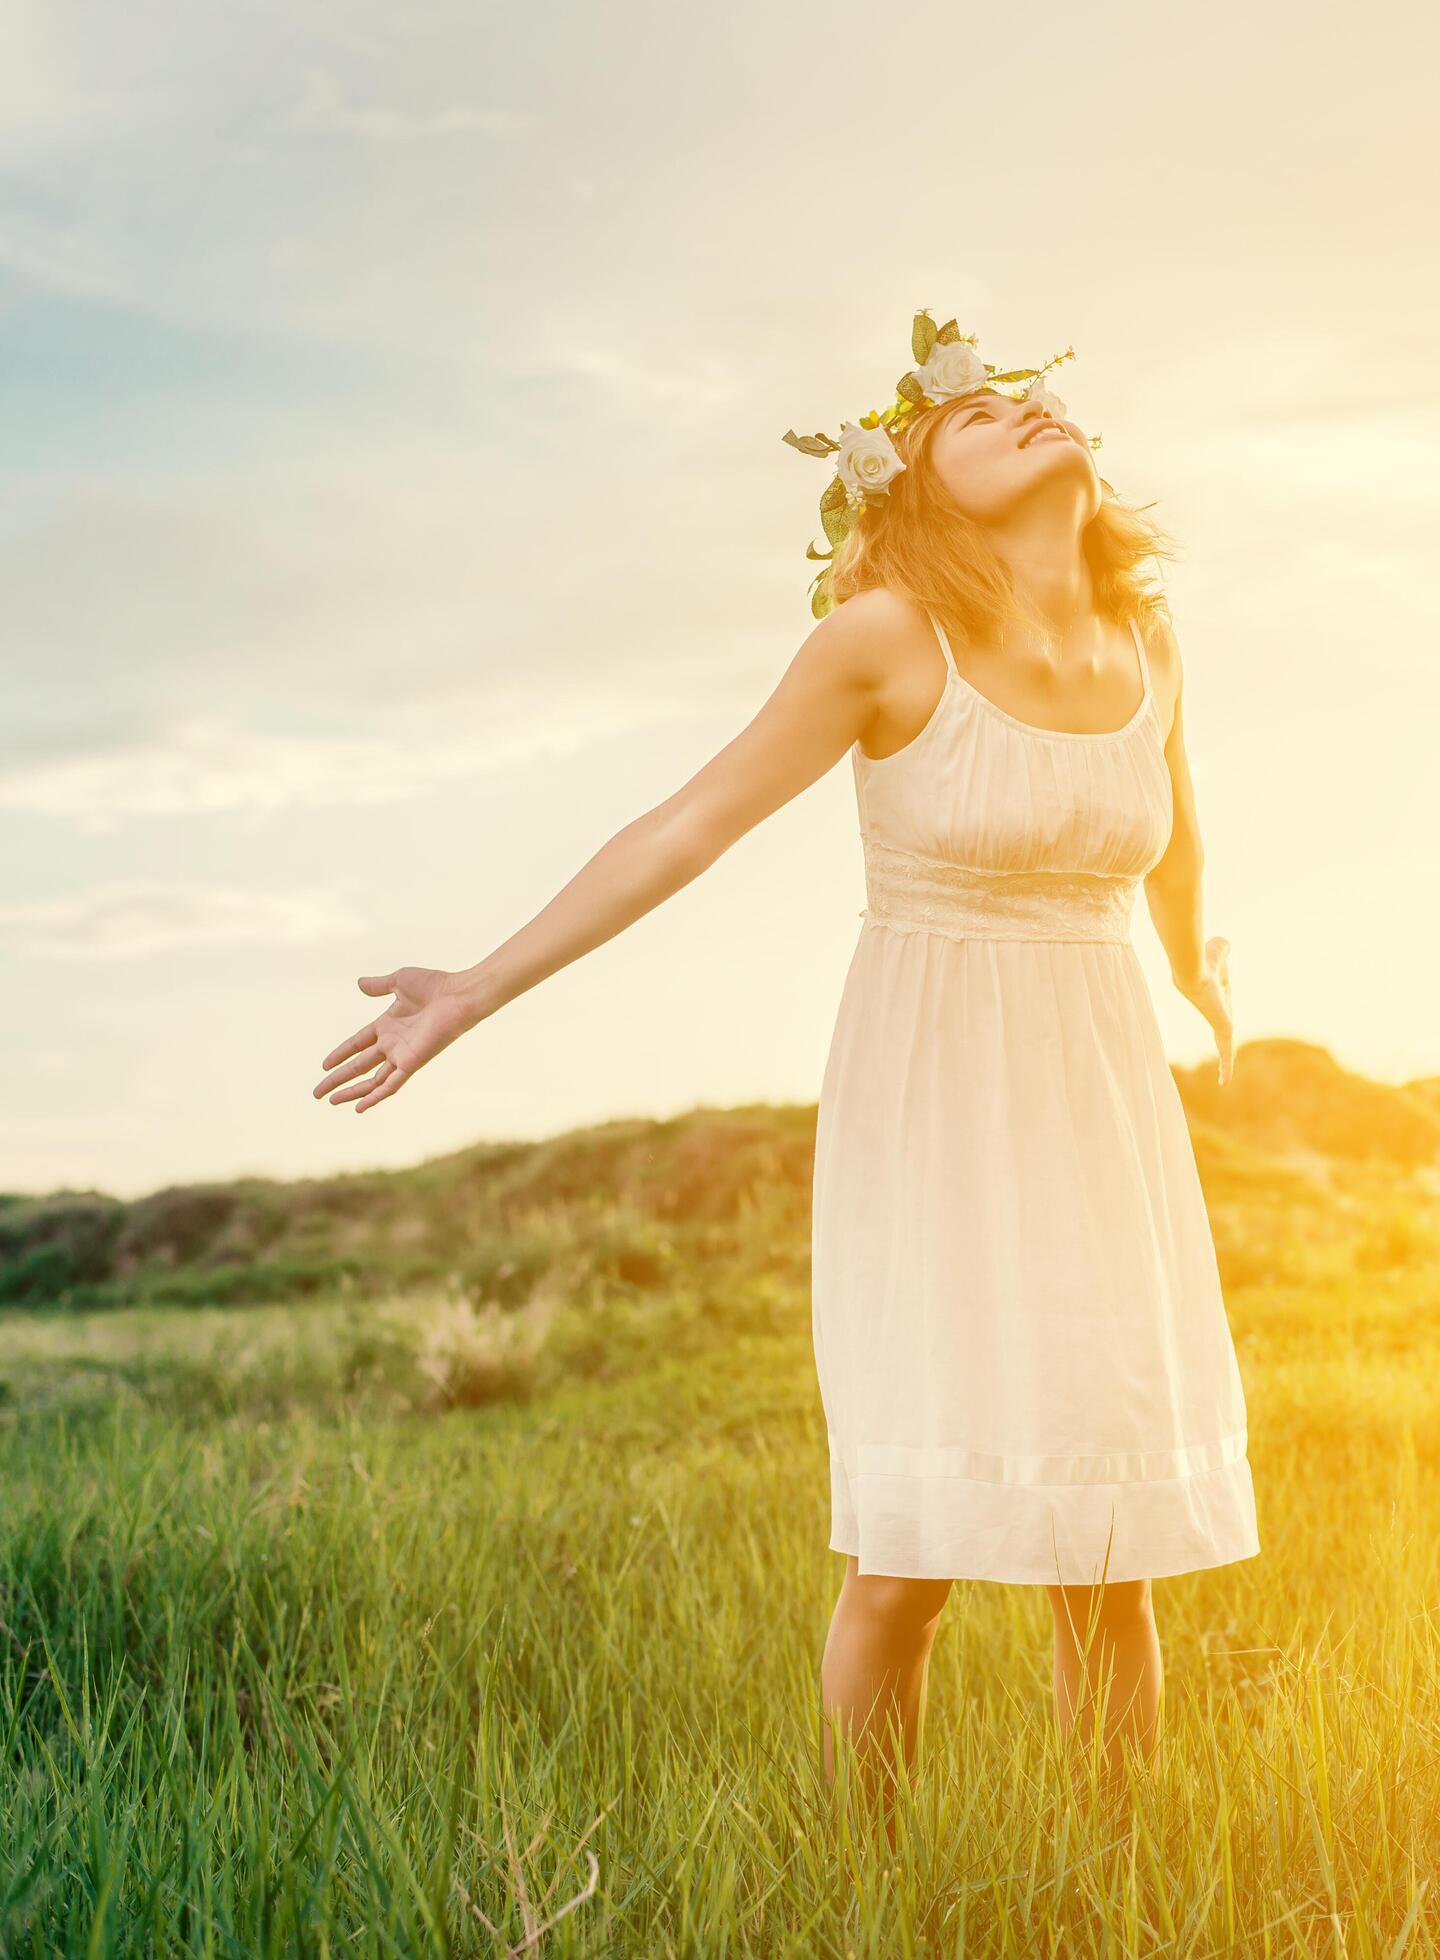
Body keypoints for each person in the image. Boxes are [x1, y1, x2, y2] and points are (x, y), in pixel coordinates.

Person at [311, 311, 1257, 1822]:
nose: (1019, 410)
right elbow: (686, 826)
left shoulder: (1148, 644)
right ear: (916, 489)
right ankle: (867, 1878)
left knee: (1111, 1537)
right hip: (938, 1095)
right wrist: (476, 987)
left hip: (1097, 1097)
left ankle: (1112, 1884)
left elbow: (1174, 845)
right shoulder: (881, 642)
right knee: (915, 1549)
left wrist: (1206, 981)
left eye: (1031, 398)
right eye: (973, 414)